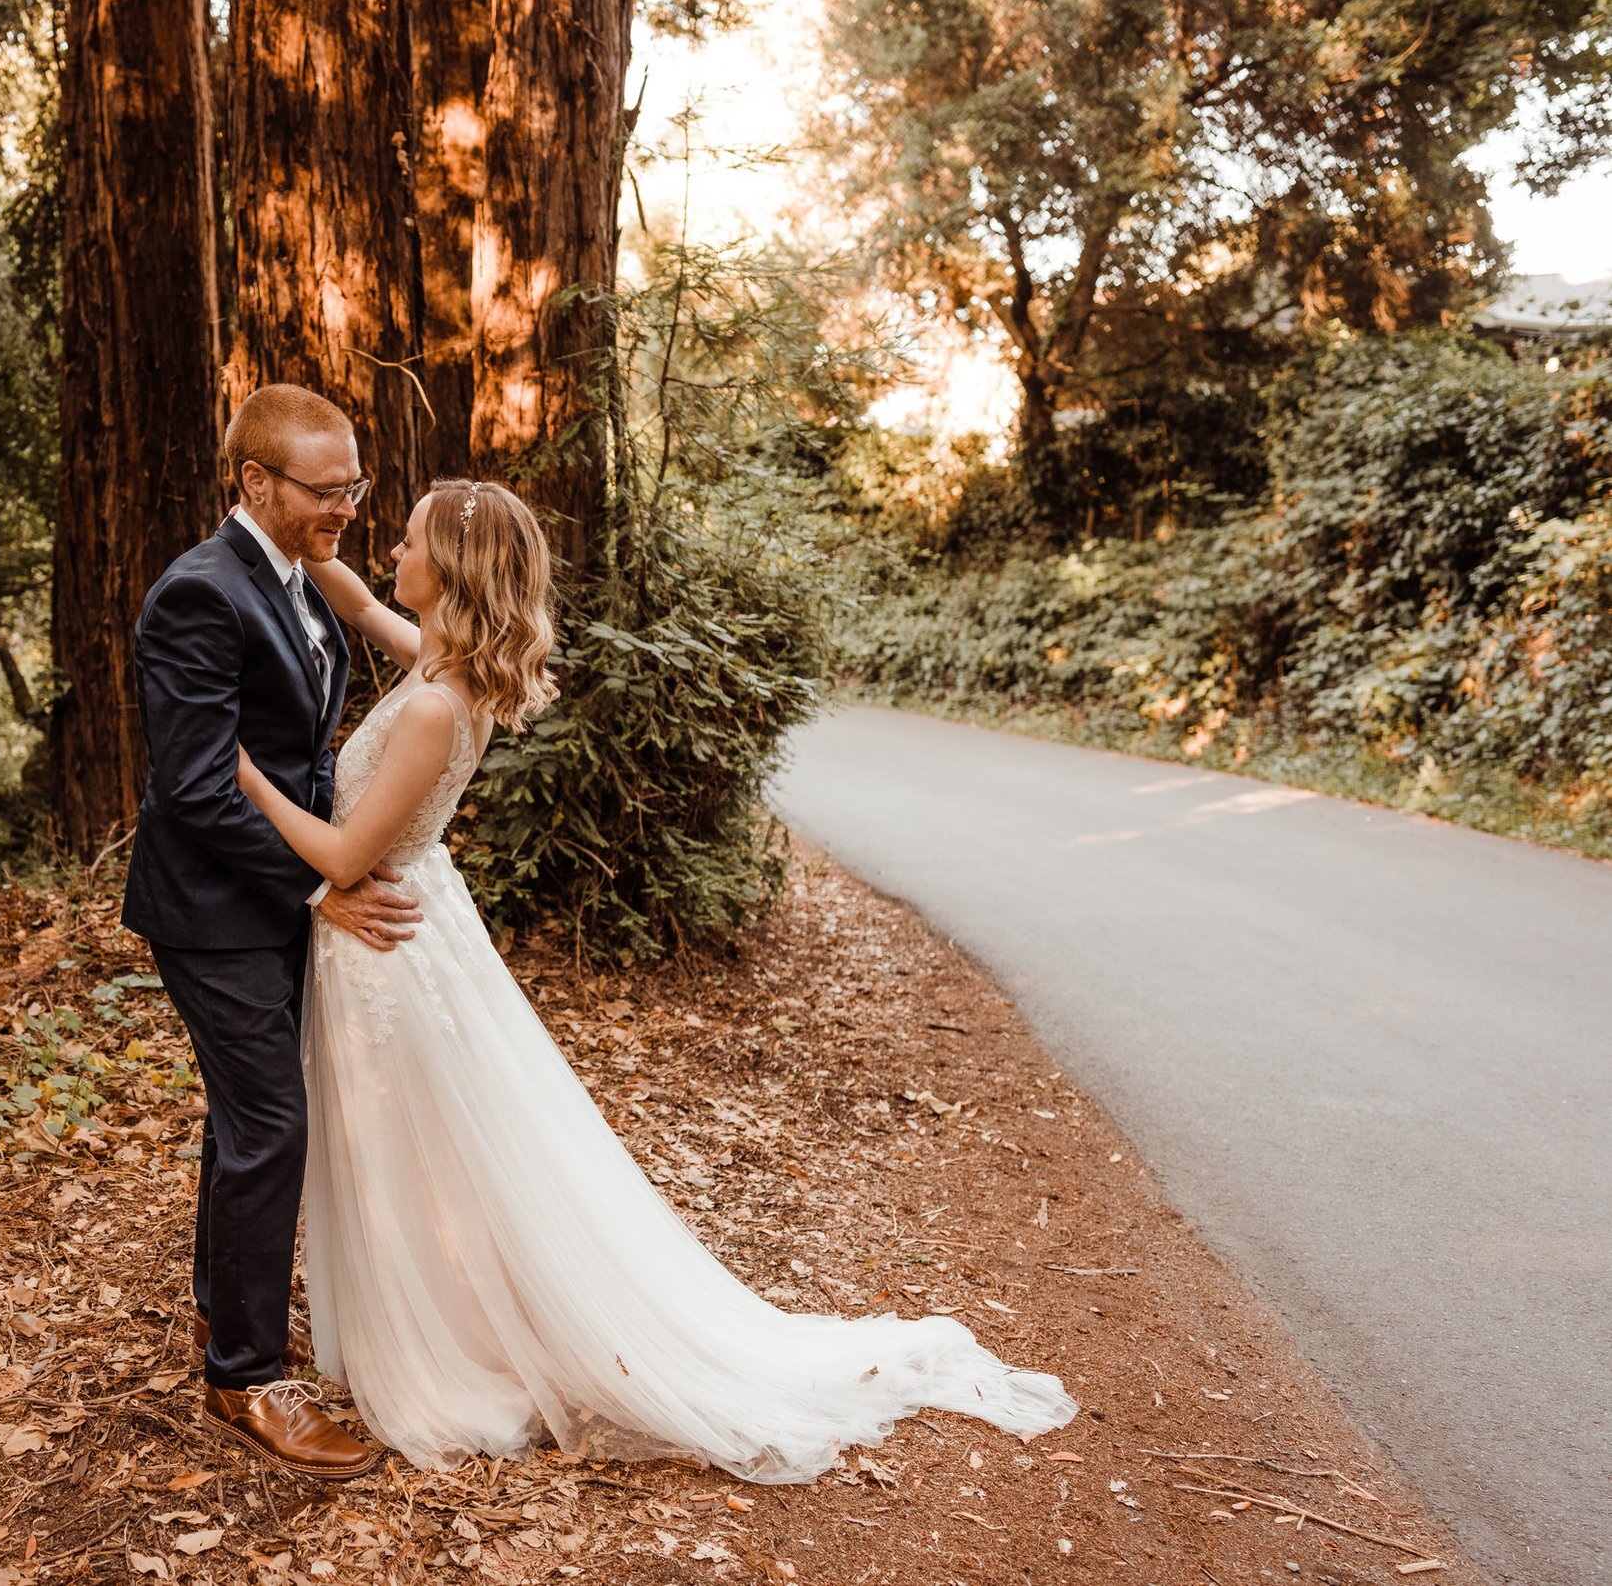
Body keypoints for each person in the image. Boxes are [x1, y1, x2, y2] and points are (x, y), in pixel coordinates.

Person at [231, 477, 1080, 1481]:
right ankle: (463, 1319)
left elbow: (338, 854)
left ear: (449, 571)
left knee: (411, 1149)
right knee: (431, 1150)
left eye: (408, 539)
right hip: (411, 930)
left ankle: (450, 1352)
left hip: (387, 944)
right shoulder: (445, 670)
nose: (389, 555)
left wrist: (235, 766)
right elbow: (364, 607)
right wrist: (274, 537)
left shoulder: (430, 707)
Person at [122, 383, 420, 1479]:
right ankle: (243, 1376)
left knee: (247, 1121)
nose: (346, 504)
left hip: (274, 896)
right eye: (325, 487)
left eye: (356, 483)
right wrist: (316, 889)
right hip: (214, 913)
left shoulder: (294, 571)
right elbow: (196, 791)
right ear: (255, 482)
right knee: (271, 1125)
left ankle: (219, 1314)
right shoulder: (199, 595)